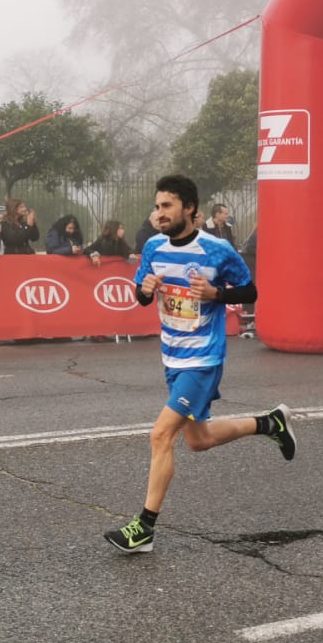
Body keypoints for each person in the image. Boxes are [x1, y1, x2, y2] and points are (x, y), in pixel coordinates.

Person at [104, 175, 292, 555]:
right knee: (199, 440)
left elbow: (250, 290)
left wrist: (217, 294)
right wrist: (144, 290)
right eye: (157, 206)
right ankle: (270, 423)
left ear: (189, 208)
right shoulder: (154, 247)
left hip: (203, 358)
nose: (159, 213)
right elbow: (141, 294)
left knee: (161, 436)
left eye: (167, 206)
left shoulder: (216, 249)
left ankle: (144, 529)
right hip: (171, 355)